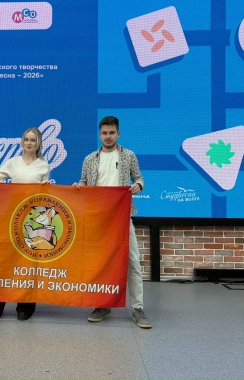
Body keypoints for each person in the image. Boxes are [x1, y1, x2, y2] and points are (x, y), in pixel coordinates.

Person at [72, 116, 152, 329]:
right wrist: (78, 188)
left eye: (112, 133)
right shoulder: (89, 159)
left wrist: (138, 185)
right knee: (101, 263)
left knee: (133, 261)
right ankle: (103, 305)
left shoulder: (128, 156)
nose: (108, 136)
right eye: (105, 133)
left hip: (122, 216)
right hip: (98, 218)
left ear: (118, 134)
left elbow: (139, 178)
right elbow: (84, 183)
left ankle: (137, 308)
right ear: (100, 135)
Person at [0, 127, 49, 322]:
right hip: (12, 216)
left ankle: (25, 306)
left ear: (38, 143)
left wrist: (46, 189)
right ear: (22, 142)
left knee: (28, 262)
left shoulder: (43, 166)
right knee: (3, 261)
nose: (29, 143)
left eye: (33, 140)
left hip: (31, 219)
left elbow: (46, 195)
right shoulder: (13, 162)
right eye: (26, 139)